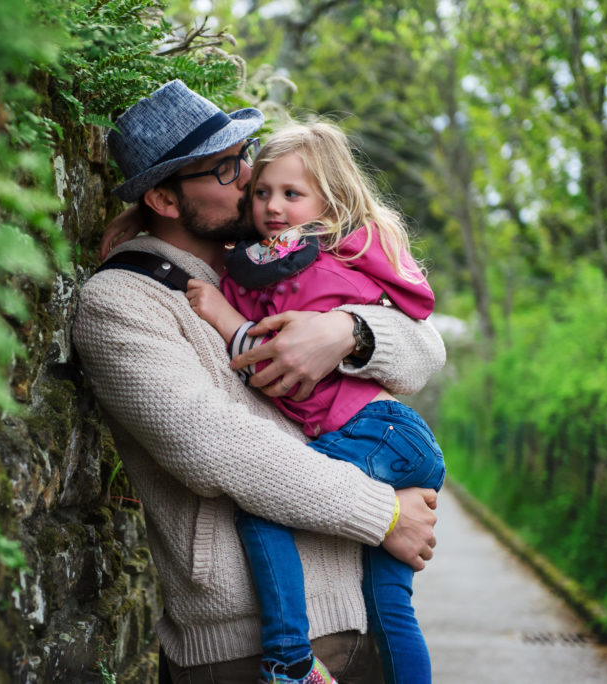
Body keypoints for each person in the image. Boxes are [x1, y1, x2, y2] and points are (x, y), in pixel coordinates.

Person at [72, 80, 445, 683]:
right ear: (165, 202)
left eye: (244, 155)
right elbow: (218, 449)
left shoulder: (269, 259)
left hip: (359, 615)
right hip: (244, 648)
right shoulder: (120, 302)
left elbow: (427, 344)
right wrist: (386, 516)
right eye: (224, 169)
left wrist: (348, 332)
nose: (249, 179)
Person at [185, 121, 445, 684]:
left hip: (374, 433)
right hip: (389, 439)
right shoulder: (294, 259)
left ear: (329, 201)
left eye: (291, 195)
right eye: (261, 193)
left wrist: (218, 311)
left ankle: (286, 659)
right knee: (391, 611)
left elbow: (271, 354)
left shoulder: (315, 271)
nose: (272, 207)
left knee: (266, 503)